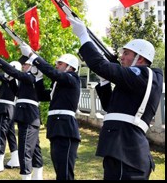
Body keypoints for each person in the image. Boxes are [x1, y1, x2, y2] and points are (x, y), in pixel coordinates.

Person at [67, 15, 163, 180]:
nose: (121, 57)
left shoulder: (145, 74)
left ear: (140, 58)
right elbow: (109, 107)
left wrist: (84, 36)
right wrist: (105, 81)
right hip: (120, 150)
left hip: (126, 150)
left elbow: (100, 65)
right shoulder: (135, 80)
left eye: (126, 53)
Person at [20, 44, 81, 180]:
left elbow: (54, 73)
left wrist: (33, 56)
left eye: (60, 63)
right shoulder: (59, 85)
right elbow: (41, 95)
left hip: (66, 129)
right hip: (56, 127)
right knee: (60, 169)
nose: (56, 65)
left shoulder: (72, 78)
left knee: (64, 172)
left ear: (70, 67)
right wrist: (39, 78)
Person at [0, 50, 44, 180]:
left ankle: (29, 177)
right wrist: (11, 80)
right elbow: (17, 93)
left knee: (25, 150)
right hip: (26, 115)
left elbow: (15, 73)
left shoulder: (31, 77)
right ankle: (37, 177)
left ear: (33, 66)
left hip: (28, 115)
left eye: (26, 64)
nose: (23, 66)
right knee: (34, 149)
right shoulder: (27, 80)